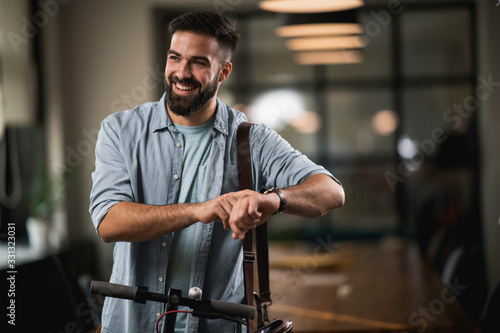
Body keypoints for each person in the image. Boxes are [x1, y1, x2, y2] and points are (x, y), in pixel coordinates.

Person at [89, 10, 344, 333]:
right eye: (174, 58)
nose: (181, 72)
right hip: (132, 325)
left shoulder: (252, 140)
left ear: (223, 72)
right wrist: (200, 210)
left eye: (198, 62)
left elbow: (332, 192)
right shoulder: (120, 131)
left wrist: (273, 200)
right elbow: (109, 222)